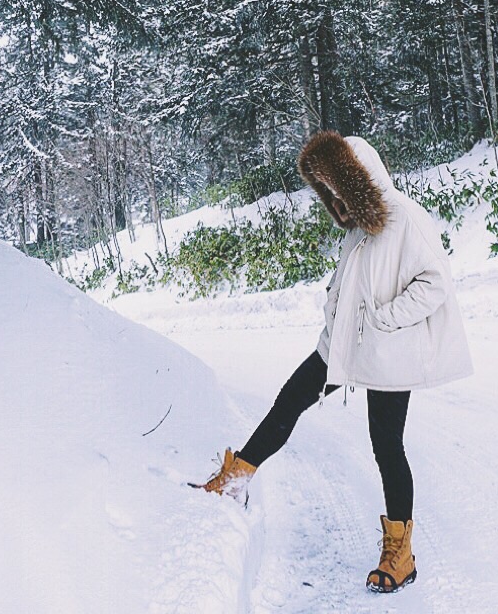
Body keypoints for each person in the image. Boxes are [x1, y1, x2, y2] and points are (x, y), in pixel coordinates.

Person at [192, 130, 473, 595]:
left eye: (339, 185)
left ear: (359, 179)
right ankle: (235, 478)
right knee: (290, 400)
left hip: (388, 352)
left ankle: (400, 553)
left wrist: (386, 318)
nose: (336, 197)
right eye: (329, 189)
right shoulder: (361, 229)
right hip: (342, 345)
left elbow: (435, 283)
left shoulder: (404, 218)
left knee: (386, 444)